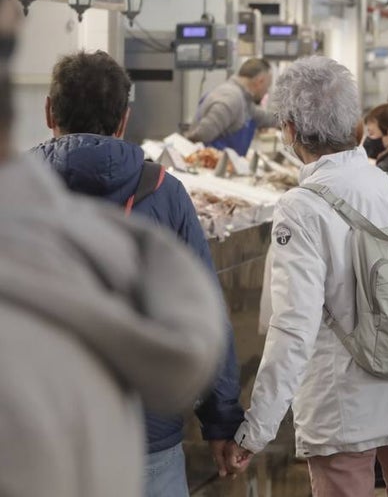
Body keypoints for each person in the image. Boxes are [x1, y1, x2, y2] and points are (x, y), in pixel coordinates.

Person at [229, 57, 388, 497]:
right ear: (355, 126)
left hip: (345, 404)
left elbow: (293, 327)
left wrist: (256, 428)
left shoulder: (301, 208)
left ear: (290, 130)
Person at [0, 70, 227, 497]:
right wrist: (223, 421)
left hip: (31, 434)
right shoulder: (166, 191)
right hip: (149, 434)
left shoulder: (12, 195)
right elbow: (206, 308)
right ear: (124, 119)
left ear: (49, 112)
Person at [186, 57, 276, 154]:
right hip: (209, 162)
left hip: (224, 162)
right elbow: (201, 135)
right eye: (267, 86)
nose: (266, 91)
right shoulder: (231, 98)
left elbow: (264, 117)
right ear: (260, 81)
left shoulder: (244, 100)